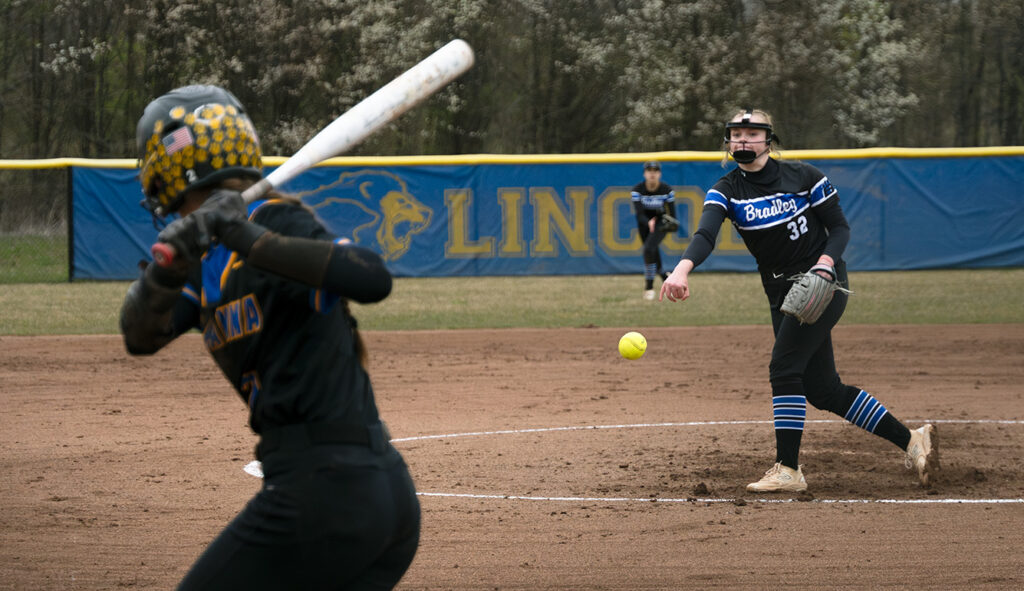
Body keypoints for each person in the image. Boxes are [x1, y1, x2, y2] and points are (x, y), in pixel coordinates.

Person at [120, 85, 420, 589]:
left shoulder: (275, 221)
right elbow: (140, 335)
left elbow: (372, 278)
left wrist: (243, 235)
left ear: (167, 164)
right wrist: (166, 271)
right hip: (361, 493)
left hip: (323, 491)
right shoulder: (201, 259)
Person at [659, 108, 939, 493]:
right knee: (824, 390)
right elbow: (705, 234)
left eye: (752, 133)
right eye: (736, 134)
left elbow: (839, 227)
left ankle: (788, 469)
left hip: (823, 283)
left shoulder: (803, 176)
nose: (743, 140)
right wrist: (681, 269)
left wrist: (825, 263)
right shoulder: (726, 190)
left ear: (768, 139)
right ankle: (912, 441)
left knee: (784, 368)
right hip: (783, 295)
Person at [631, 160, 677, 300]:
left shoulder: (667, 190)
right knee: (652, 251)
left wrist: (661, 222)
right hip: (644, 225)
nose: (652, 174)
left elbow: (672, 215)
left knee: (648, 250)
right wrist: (648, 221)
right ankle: (664, 276)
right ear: (645, 174)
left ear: (660, 174)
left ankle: (649, 287)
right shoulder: (637, 190)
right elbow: (639, 215)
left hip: (661, 224)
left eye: (655, 171)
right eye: (649, 171)